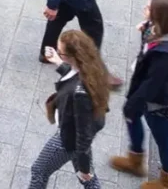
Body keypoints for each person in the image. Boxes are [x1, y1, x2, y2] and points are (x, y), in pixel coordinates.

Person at [110, 0, 168, 189]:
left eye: (149, 8)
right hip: (151, 89)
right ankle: (135, 160)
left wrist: (134, 104)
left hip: (159, 99)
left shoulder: (167, 53)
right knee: (132, 117)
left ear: (160, 15)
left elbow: (153, 83)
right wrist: (146, 30)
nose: (144, 8)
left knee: (162, 136)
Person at [29, 30, 109, 189]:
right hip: (77, 138)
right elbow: (75, 74)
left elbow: (83, 134)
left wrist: (84, 166)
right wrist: (58, 62)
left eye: (60, 51)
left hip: (68, 139)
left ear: (72, 57)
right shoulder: (92, 67)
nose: (58, 53)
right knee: (87, 178)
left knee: (39, 170)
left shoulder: (80, 93)